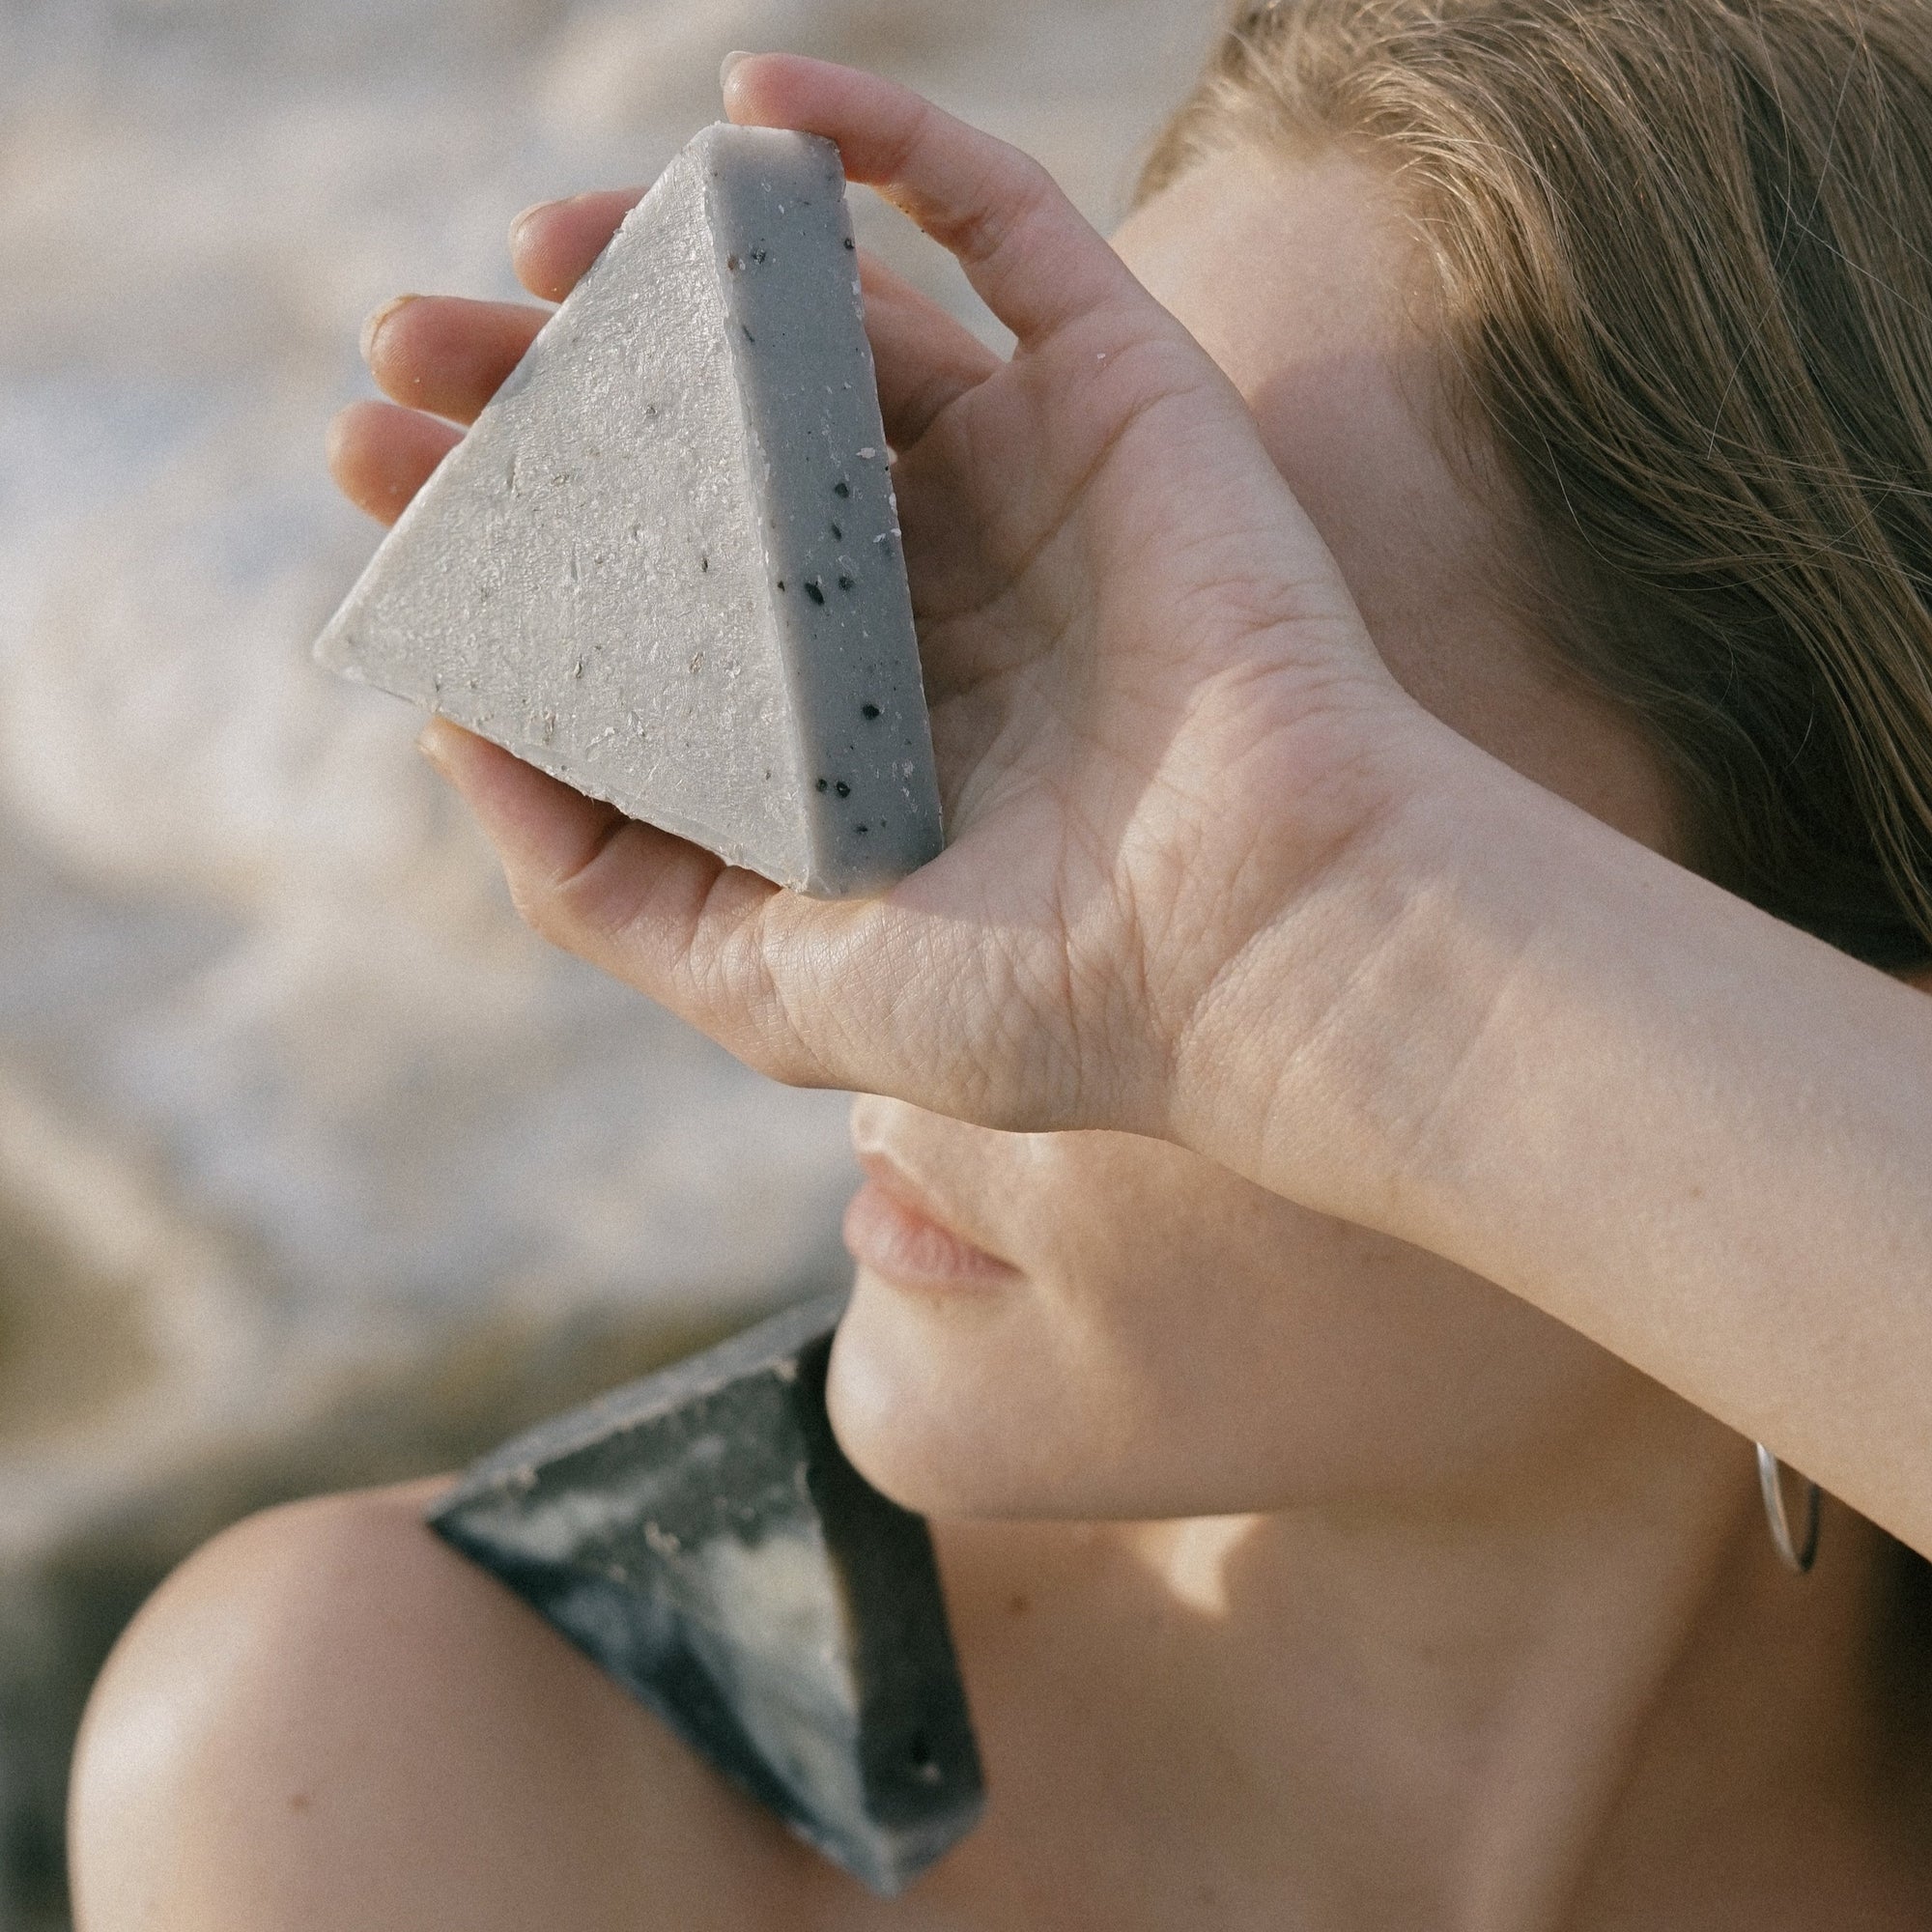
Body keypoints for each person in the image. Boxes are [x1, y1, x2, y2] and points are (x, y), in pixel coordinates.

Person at [67, 1, 1932, 1923]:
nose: (934, 917)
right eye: (978, 647)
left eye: (1266, 758)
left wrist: (1327, 944)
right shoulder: (444, 1755)